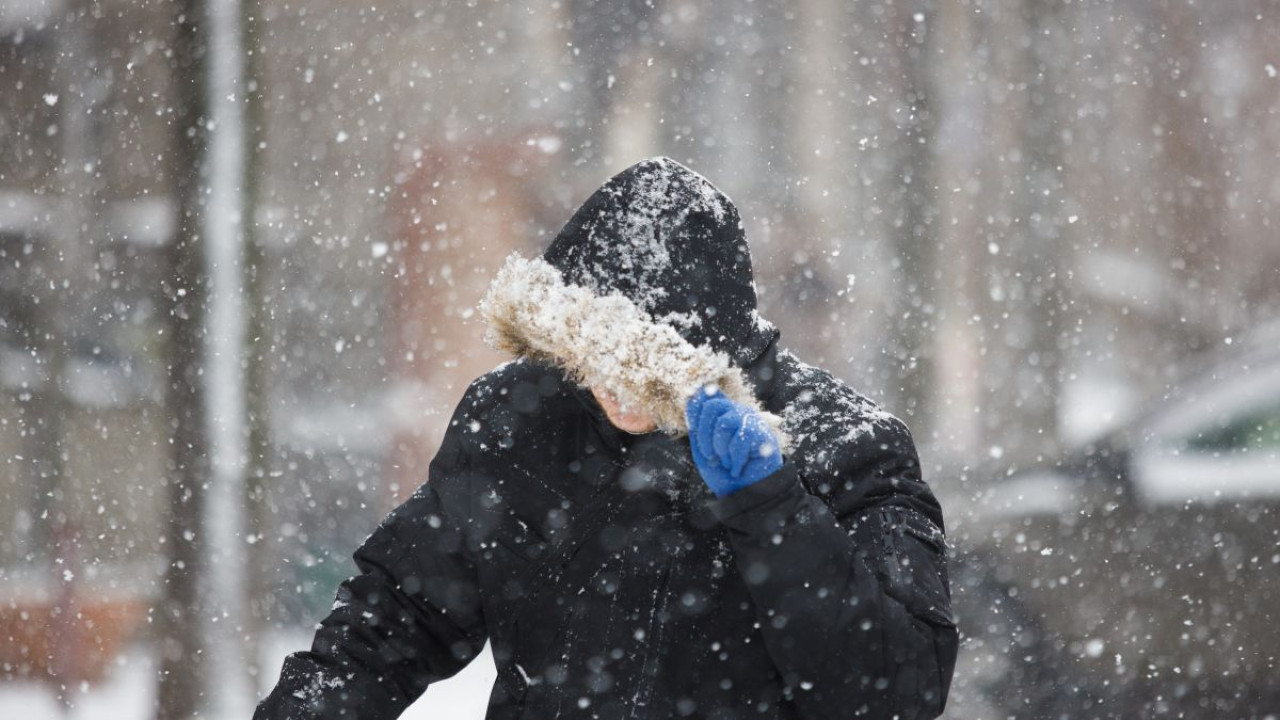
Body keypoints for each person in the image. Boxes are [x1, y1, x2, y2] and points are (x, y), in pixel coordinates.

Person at [254, 157, 958, 720]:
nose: (615, 390)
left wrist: (772, 510)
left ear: (705, 351)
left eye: (644, 370)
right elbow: (391, 624)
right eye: (592, 357)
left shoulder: (848, 448)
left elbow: (894, 696)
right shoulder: (520, 422)